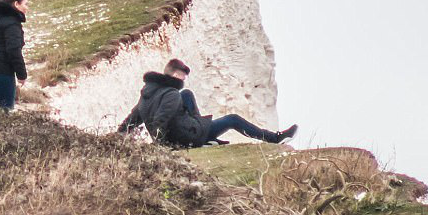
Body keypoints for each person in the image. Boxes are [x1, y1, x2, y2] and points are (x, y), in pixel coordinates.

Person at [118, 59, 298, 147]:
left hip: (182, 134)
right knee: (233, 119)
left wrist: (115, 139)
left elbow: (130, 122)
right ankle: (275, 138)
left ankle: (205, 134)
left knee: (187, 93)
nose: (183, 79)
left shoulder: (145, 97)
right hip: (186, 138)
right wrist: (163, 147)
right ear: (173, 75)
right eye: (182, 76)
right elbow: (161, 120)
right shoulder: (172, 94)